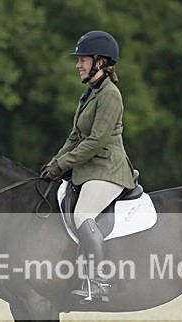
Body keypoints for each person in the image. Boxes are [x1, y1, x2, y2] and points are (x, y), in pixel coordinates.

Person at [40, 30, 135, 304]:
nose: (78, 64)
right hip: (88, 169)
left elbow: (95, 141)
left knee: (83, 214)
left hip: (108, 169)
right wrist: (54, 163)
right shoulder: (89, 93)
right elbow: (75, 137)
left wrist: (63, 165)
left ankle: (99, 281)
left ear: (101, 62)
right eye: (79, 60)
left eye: (83, 59)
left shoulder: (110, 95)